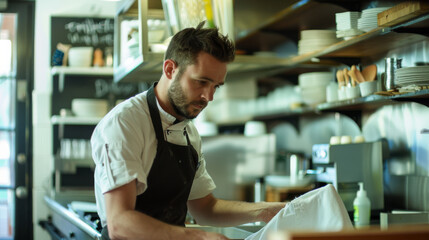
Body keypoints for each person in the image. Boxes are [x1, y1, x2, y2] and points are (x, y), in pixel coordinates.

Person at [91, 21, 285, 240]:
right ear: (170, 69)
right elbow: (119, 223)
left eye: (215, 86)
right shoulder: (125, 123)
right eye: (201, 82)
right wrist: (199, 238)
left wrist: (266, 211)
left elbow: (205, 208)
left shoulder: (189, 133)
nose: (208, 97)